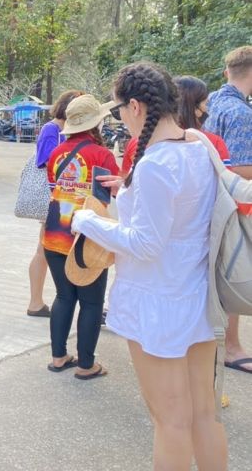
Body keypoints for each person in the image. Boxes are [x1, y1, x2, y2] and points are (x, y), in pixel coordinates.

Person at [72, 62, 228, 470]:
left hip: (159, 303)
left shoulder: (158, 163)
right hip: (196, 297)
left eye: (120, 108)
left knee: (170, 421)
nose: (120, 117)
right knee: (202, 415)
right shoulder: (197, 147)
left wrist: (86, 221)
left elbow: (145, 243)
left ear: (137, 106)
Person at [43, 94, 118, 380]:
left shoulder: (57, 153)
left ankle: (59, 357)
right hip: (87, 237)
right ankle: (87, 365)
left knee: (64, 296)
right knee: (90, 302)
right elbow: (111, 194)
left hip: (55, 233)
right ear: (96, 123)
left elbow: (54, 188)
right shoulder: (102, 155)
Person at [204, 45, 252, 375]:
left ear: (226, 73)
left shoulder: (214, 102)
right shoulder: (241, 114)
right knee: (232, 271)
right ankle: (231, 346)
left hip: (207, 200)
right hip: (230, 205)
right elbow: (239, 170)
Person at [26, 89, 83, 318]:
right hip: (54, 201)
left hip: (62, 201)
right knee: (43, 251)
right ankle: (35, 302)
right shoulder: (52, 129)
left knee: (45, 250)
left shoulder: (62, 130)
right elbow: (45, 162)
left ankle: (36, 302)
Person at [120, 76, 230, 175]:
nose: (207, 109)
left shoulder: (137, 142)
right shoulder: (211, 143)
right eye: (206, 103)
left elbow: (124, 180)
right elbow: (226, 187)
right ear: (194, 108)